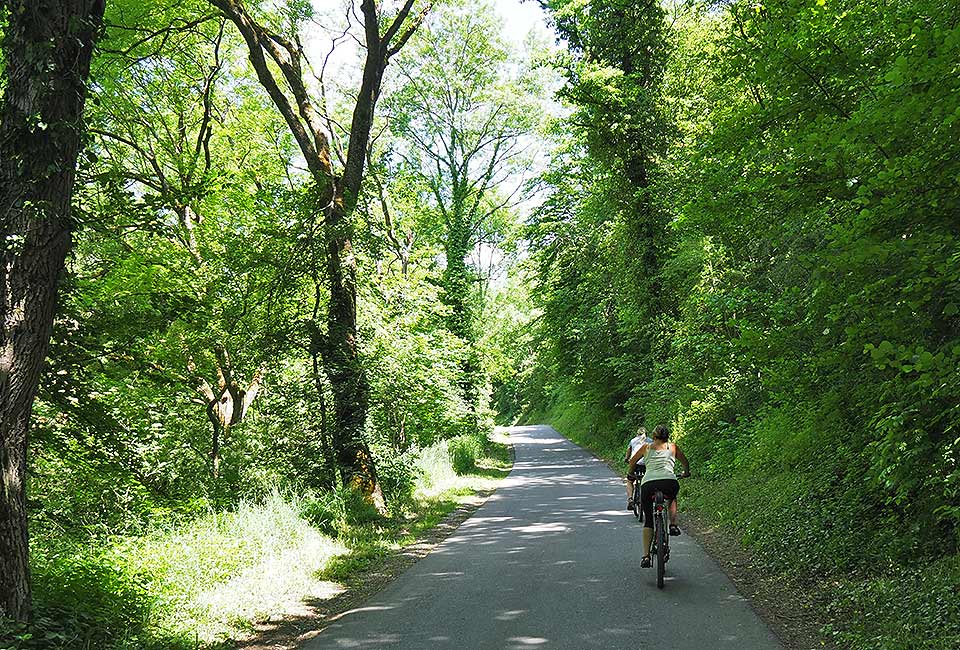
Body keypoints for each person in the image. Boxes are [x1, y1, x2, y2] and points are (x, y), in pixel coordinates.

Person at [628, 424, 690, 568]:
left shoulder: (646, 448)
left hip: (649, 484)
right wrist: (686, 472)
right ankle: (673, 525)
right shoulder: (673, 447)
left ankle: (645, 556)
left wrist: (631, 473)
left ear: (654, 436)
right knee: (672, 498)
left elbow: (632, 461)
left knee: (649, 521)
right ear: (667, 436)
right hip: (669, 481)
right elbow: (685, 462)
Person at [625, 426, 652, 511]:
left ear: (637, 434)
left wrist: (626, 459)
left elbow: (629, 451)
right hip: (646, 464)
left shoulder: (633, 440)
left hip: (635, 464)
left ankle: (630, 499)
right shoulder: (650, 441)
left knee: (630, 480)